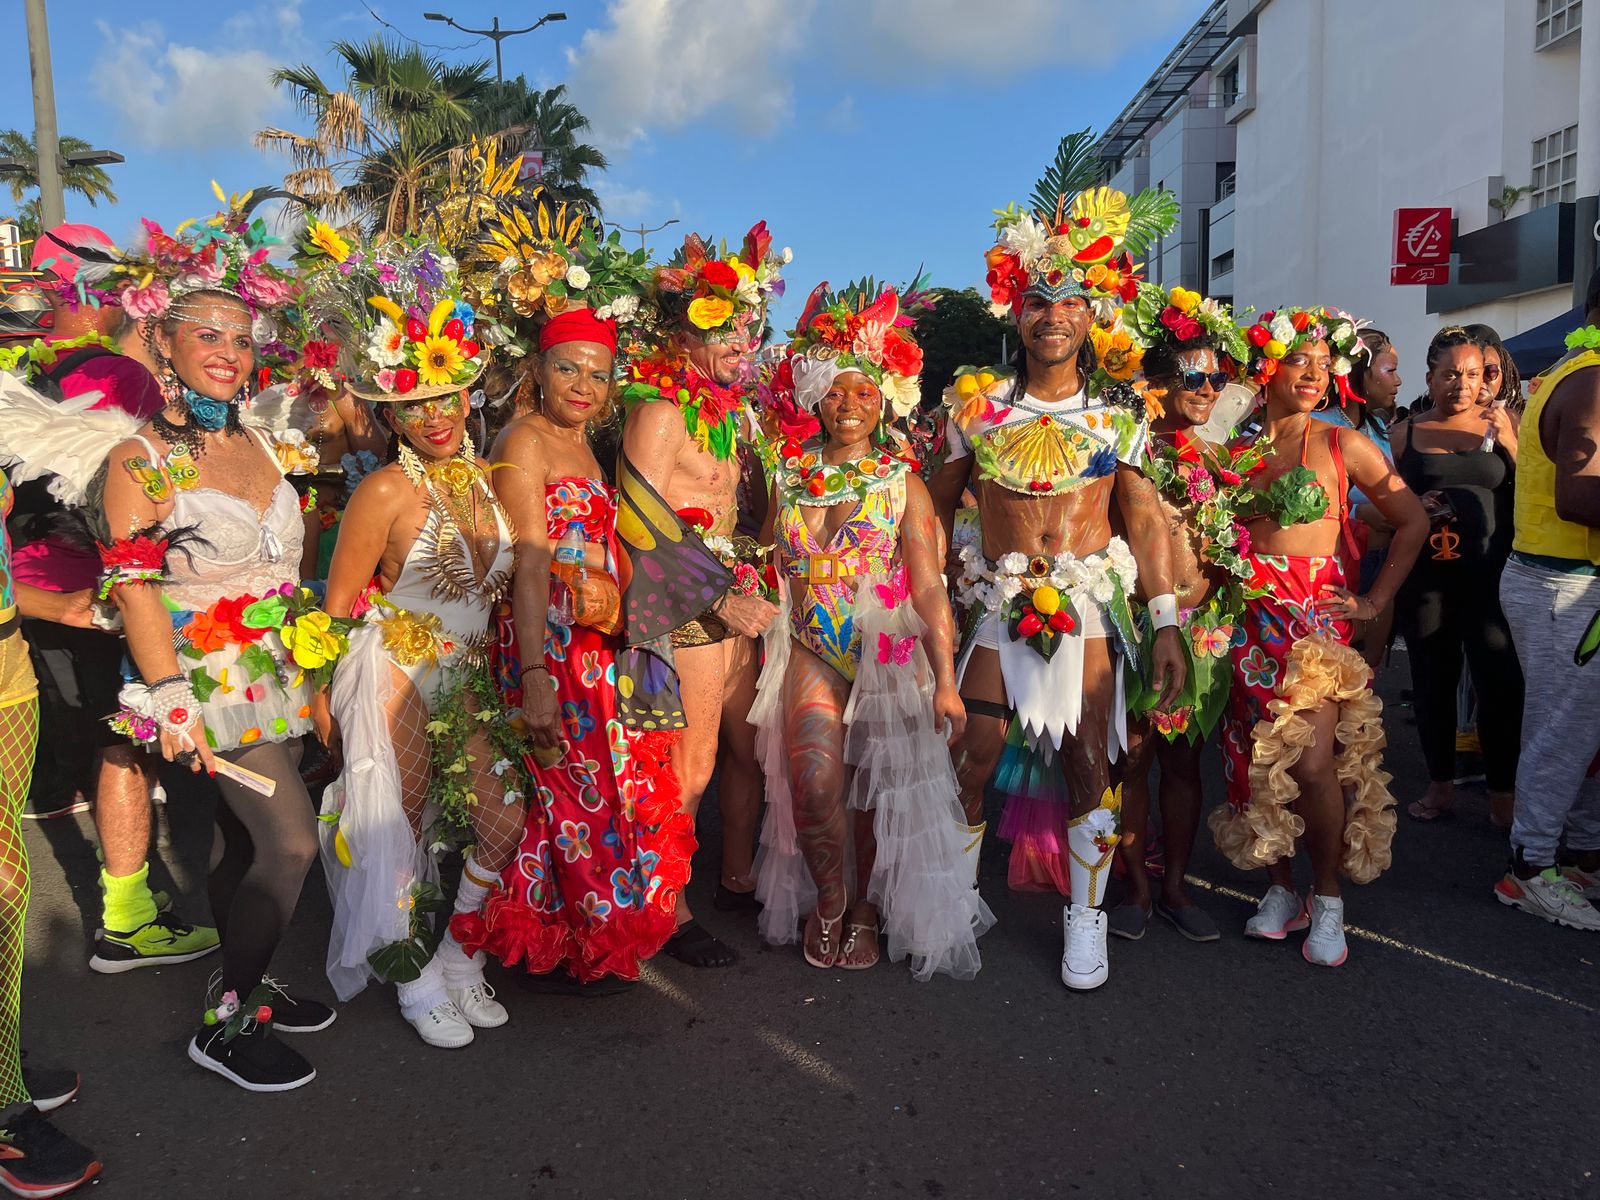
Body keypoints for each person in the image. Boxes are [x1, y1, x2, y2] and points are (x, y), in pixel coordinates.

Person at [93, 193, 341, 1091]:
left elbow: (288, 573)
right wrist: (169, 700)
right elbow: (134, 588)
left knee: (244, 845)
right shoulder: (141, 459)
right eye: (207, 333)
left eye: (241, 336)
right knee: (292, 843)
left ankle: (251, 985)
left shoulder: (265, 445)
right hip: (202, 683)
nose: (229, 351)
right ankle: (226, 1024)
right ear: (161, 340)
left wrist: (315, 674)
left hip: (275, 674)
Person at [928, 174, 1186, 991]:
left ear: (1091, 315)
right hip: (998, 604)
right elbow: (929, 511)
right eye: (1038, 300)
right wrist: (923, 598)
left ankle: (1087, 918)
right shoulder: (975, 412)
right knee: (972, 755)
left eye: (1071, 301)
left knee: (1087, 763)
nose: (1053, 314)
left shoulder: (1120, 418)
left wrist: (1167, 620)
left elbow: (1145, 522)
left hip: (1089, 609)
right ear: (1016, 312)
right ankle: (955, 903)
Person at [311, 236, 527, 1048]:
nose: (434, 416)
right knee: (397, 825)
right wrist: (320, 701)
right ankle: (412, 976)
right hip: (395, 667)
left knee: (502, 819)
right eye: (415, 404)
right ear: (393, 415)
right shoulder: (383, 488)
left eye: (445, 397)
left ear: (467, 398)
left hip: (467, 671)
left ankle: (459, 953)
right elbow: (338, 606)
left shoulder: (491, 482)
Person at [750, 281, 992, 977]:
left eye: (863, 392)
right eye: (834, 391)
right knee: (815, 781)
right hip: (808, 643)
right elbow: (761, 558)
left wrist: (945, 680)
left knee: (878, 786)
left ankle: (864, 908)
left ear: (884, 400)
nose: (849, 405)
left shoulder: (901, 483)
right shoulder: (788, 476)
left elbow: (928, 585)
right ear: (814, 398)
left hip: (886, 645)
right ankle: (831, 898)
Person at [0, 224, 219, 972]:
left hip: (23, 597)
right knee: (125, 746)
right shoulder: (122, 379)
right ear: (100, 295)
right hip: (93, 596)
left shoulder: (20, 365)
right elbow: (166, 488)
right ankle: (126, 922)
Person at [454, 303, 689, 991]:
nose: (584, 386)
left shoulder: (584, 444)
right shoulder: (524, 440)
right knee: (559, 788)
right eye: (568, 369)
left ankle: (571, 936)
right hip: (549, 645)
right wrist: (533, 672)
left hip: (592, 644)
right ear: (538, 369)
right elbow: (528, 561)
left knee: (587, 792)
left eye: (598, 375)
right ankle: (513, 942)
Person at [1213, 307, 1426, 967]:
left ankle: (1327, 895)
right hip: (1247, 623)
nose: (1312, 374)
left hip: (1314, 627)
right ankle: (1281, 888)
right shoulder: (1235, 449)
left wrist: (1373, 602)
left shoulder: (1343, 444)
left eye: (1322, 364)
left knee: (1310, 763)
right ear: (1266, 367)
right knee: (1256, 762)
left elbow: (1412, 520)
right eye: (1297, 360)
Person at [617, 224, 786, 968]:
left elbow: (745, 513)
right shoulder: (661, 412)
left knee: (747, 751)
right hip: (686, 604)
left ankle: (733, 877)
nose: (738, 343)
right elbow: (635, 516)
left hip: (734, 598)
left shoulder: (732, 414)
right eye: (720, 329)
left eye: (746, 328)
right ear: (680, 338)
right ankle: (669, 911)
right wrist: (719, 601)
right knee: (689, 765)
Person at [1111, 284, 1255, 944]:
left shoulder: (1221, 456)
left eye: (1216, 378)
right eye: (1194, 378)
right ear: (1159, 383)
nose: (1208, 389)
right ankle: (1134, 889)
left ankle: (1174, 887)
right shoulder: (1129, 452)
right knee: (1131, 762)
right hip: (1138, 626)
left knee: (1183, 765)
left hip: (1203, 630)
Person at [0, 463, 101, 1194]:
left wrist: (59, 605)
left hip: (10, 680)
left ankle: (2, 1060)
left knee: (8, 892)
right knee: (4, 888)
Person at [1495, 268, 1600, 929]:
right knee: (1562, 733)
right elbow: (1580, 497)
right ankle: (1530, 869)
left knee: (1584, 731)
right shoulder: (1593, 379)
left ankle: (1583, 854)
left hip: (1564, 580)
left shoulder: (1580, 369)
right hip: (1565, 585)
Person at [1390, 328, 1520, 826]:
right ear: (1430, 379)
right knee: (1432, 682)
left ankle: (1503, 793)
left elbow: (1534, 488)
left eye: (1470, 374)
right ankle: (1440, 783)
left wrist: (1510, 442)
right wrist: (1410, 505)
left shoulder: (1502, 423)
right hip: (1426, 582)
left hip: (1491, 579)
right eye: (1449, 375)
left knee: (1500, 683)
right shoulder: (1404, 433)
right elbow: (1380, 505)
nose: (1461, 384)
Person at [1323, 328, 1403, 668]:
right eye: (1390, 370)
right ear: (1360, 375)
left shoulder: (1377, 428)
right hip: (1336, 570)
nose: (1398, 381)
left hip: (1379, 568)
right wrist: (1359, 512)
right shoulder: (1319, 427)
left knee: (1365, 677)